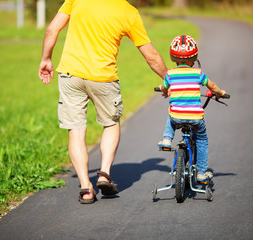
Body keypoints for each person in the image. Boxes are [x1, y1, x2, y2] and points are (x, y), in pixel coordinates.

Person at [38, 0, 167, 204]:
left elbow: (51, 29)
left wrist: (46, 59)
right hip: (103, 78)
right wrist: (168, 79)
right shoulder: (129, 12)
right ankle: (104, 173)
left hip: (70, 75)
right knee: (111, 122)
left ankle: (85, 188)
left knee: (76, 130)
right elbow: (150, 55)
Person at [157, 35, 226, 183]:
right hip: (195, 117)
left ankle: (167, 139)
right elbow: (212, 86)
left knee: (172, 114)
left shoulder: (170, 74)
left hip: (177, 117)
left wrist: (163, 90)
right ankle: (201, 173)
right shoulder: (198, 73)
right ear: (194, 58)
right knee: (202, 139)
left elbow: (164, 87)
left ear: (173, 57)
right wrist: (220, 93)